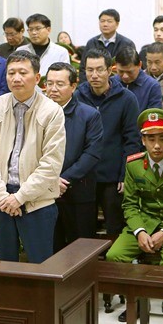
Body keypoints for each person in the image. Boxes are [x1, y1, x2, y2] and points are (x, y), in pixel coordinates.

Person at [106, 108, 163, 324]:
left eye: (162, 139)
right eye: (151, 139)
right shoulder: (134, 165)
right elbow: (129, 204)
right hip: (143, 223)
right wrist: (139, 231)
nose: (157, 146)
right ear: (143, 140)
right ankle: (133, 300)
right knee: (114, 256)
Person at [0, 50, 66, 263]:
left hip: (37, 202)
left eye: (22, 72)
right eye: (11, 73)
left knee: (40, 267)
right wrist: (2, 197)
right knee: (2, 266)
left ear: (37, 78)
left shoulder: (52, 111)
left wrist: (19, 197)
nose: (16, 78)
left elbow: (51, 164)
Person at [75, 48, 141, 237]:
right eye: (89, 70)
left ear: (110, 70)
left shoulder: (127, 98)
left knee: (114, 228)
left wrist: (125, 174)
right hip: (84, 175)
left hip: (113, 176)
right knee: (84, 232)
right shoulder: (78, 96)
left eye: (99, 70)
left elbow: (132, 139)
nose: (94, 75)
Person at [45, 62, 103, 251]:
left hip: (78, 192)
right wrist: (49, 180)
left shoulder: (89, 115)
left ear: (73, 86)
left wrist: (63, 179)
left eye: (60, 84)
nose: (53, 89)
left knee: (81, 250)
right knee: (51, 249)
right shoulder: (37, 113)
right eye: (49, 83)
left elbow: (92, 153)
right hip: (44, 193)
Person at [79, 9, 136, 82]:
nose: (105, 24)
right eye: (102, 21)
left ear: (117, 24)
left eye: (109, 21)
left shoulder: (127, 44)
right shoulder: (91, 43)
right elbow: (83, 68)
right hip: (94, 85)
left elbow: (131, 68)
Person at [115, 46, 163, 111]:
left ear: (139, 65)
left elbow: (153, 116)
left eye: (130, 72)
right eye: (121, 71)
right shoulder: (111, 83)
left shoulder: (152, 86)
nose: (125, 76)